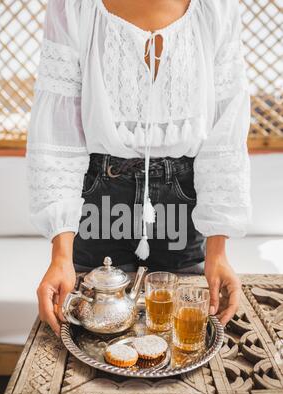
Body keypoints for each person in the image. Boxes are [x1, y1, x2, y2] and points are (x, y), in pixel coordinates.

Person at [26, 0, 251, 336]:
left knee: (180, 338)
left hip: (182, 203)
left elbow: (225, 134)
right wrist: (61, 255)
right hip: (100, 197)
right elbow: (60, 134)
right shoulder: (74, 6)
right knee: (92, 333)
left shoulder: (216, 7)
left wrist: (217, 252)